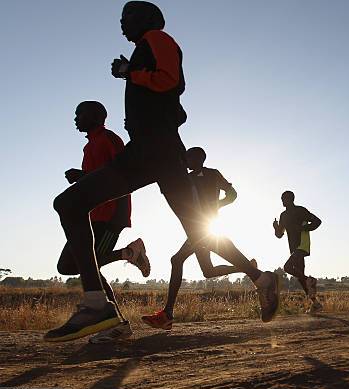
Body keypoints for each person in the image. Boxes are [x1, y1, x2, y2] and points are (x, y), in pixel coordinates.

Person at [45, 1, 278, 342]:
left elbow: (171, 81)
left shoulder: (157, 38)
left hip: (153, 148)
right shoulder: (146, 47)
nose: (122, 24)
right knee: (198, 227)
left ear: (146, 19)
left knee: (69, 205)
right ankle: (261, 279)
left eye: (127, 17)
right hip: (159, 149)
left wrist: (130, 74)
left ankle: (97, 304)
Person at [55, 101, 151, 343]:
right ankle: (127, 255)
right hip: (90, 216)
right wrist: (82, 177)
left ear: (96, 116)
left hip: (109, 216)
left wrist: (118, 216)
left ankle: (118, 323)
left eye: (80, 113)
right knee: (68, 266)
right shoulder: (90, 145)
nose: (76, 118)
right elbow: (98, 179)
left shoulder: (109, 139)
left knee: (88, 264)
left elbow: (124, 175)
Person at [142, 147, 256, 330]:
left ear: (199, 159)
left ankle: (167, 314)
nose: (185, 161)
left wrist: (216, 204)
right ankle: (247, 267)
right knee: (208, 271)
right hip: (196, 227)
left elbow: (233, 194)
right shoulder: (188, 179)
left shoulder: (213, 174)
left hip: (206, 227)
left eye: (188, 157)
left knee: (176, 259)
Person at [273, 191, 323, 313]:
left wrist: (302, 228)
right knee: (300, 277)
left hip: (303, 244)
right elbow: (279, 234)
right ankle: (316, 304)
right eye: (281, 199)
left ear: (291, 199)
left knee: (287, 267)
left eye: (284, 198)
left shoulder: (301, 211)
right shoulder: (283, 216)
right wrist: (275, 228)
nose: (282, 201)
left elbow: (317, 222)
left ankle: (310, 280)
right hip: (293, 247)